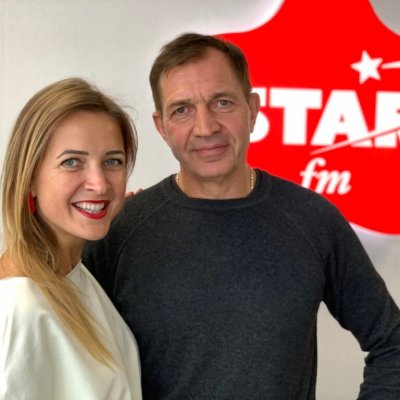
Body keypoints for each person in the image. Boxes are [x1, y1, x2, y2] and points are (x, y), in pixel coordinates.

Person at [83, 33, 400, 399]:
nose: (206, 127)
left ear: (252, 109)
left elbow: (391, 344)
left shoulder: (312, 220)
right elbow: (63, 355)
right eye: (182, 109)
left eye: (222, 102)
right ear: (162, 127)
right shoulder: (122, 230)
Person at [0, 78, 142, 400]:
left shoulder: (74, 276)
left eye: (112, 161)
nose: (99, 184)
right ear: (29, 177)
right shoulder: (17, 306)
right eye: (71, 162)